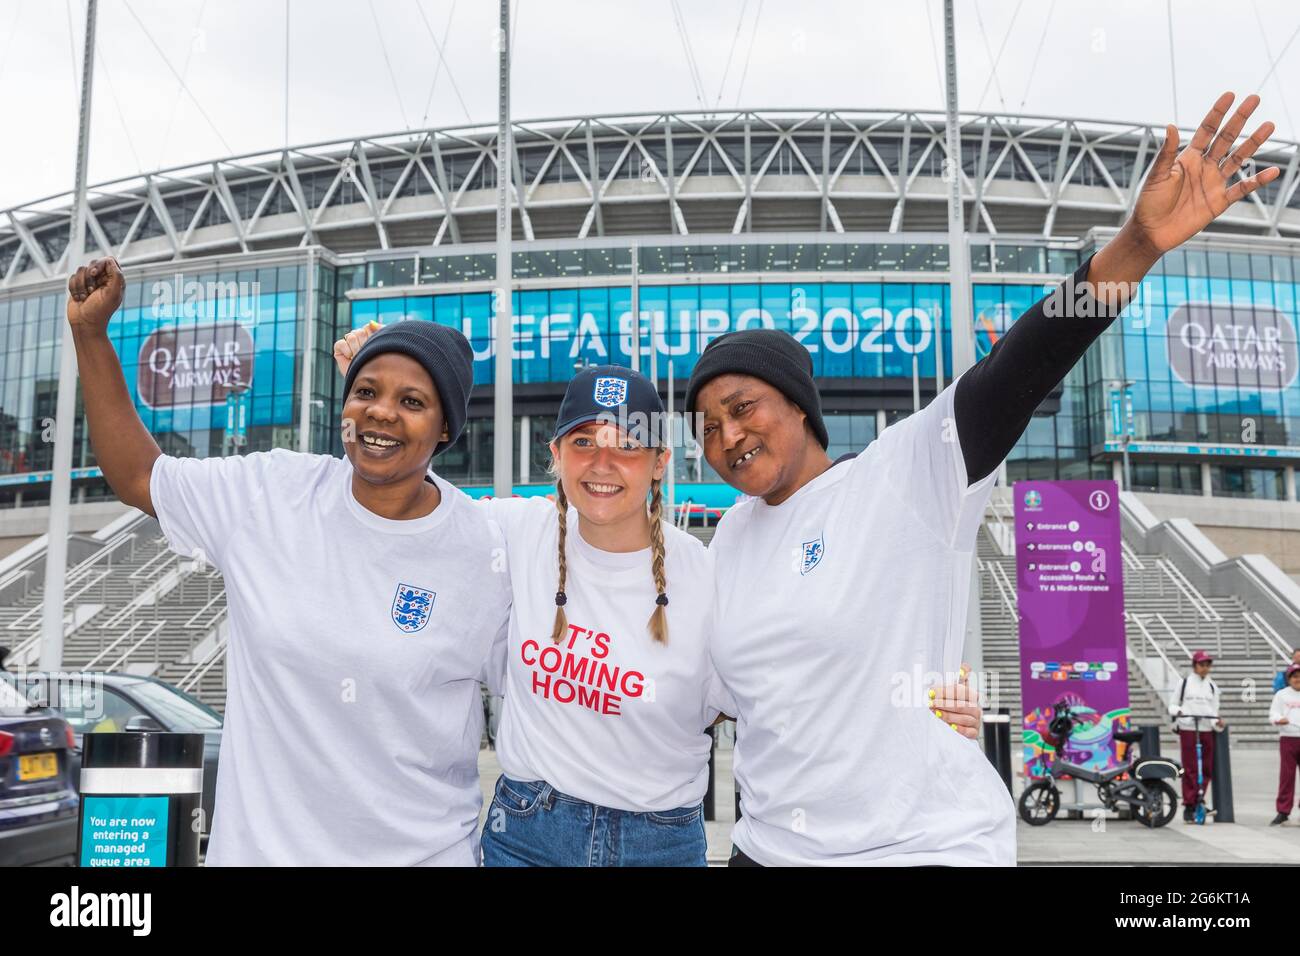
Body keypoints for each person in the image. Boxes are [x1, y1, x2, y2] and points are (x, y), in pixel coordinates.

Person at [686, 92, 1278, 866]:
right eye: (706, 427)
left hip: (915, 848)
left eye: (742, 408)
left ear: (798, 407)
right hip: (767, 851)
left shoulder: (901, 476)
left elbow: (1016, 370)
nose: (727, 436)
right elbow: (732, 695)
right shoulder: (729, 536)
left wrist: (1132, 249)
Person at [331, 339, 985, 865]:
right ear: (554, 455)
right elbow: (404, 502)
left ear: (660, 461)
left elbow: (793, 686)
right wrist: (384, 385)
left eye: (627, 444)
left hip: (659, 842)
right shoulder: (509, 532)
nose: (603, 463)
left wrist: (925, 712)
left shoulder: (713, 574)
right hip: (527, 831)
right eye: (583, 442)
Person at [66, 257, 511, 866]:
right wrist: (90, 335)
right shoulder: (270, 493)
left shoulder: (484, 546)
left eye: (412, 400)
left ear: (444, 431)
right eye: (365, 392)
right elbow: (138, 474)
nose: (381, 412)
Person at [1170, 650, 1225, 822]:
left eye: (1207, 665)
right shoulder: (1184, 683)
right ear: (1194, 665)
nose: (1205, 668)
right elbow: (1172, 704)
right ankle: (1189, 804)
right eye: (1202, 664)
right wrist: (1178, 711)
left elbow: (1214, 709)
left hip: (1206, 728)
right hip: (1188, 727)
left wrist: (1217, 722)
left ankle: (1199, 800)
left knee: (1207, 768)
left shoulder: (1212, 686)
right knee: (1190, 767)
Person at [1269, 664, 1300, 825]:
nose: (1298, 679)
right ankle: (1283, 811)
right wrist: (1278, 719)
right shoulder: (1281, 695)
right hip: (1288, 737)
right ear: (1289, 679)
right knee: (1287, 776)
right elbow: (1273, 713)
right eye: (1294, 676)